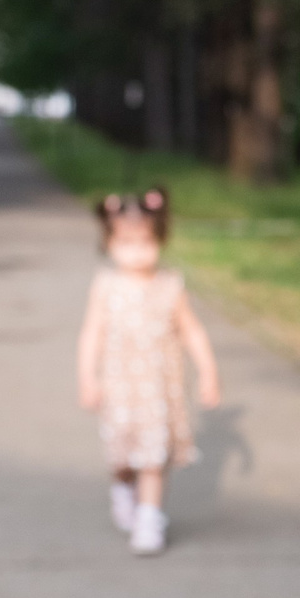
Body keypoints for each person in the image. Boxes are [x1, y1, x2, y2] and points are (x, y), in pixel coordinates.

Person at [75, 187, 219, 555]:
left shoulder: (171, 285)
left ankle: (149, 518)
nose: (136, 251)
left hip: (159, 391)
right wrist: (87, 378)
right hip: (120, 389)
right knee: (123, 458)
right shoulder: (106, 286)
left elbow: (192, 331)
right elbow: (91, 333)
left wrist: (208, 373)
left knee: (153, 459)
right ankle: (123, 488)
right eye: (125, 242)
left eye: (145, 242)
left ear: (161, 240)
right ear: (109, 242)